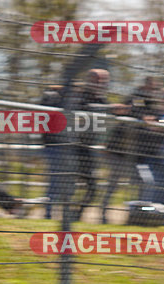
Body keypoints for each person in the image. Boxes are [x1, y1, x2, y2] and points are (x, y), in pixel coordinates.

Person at [72, 69, 110, 221]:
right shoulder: (79, 96)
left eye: (103, 81)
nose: (101, 84)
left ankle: (76, 215)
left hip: (87, 150)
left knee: (92, 187)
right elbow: (83, 109)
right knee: (66, 185)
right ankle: (53, 216)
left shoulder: (102, 100)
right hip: (71, 147)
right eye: (97, 80)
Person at [100, 103, 135, 224]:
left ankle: (133, 214)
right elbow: (105, 141)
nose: (124, 110)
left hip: (129, 158)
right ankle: (103, 212)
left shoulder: (131, 120)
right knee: (112, 185)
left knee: (132, 186)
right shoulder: (113, 120)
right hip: (115, 157)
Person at [40, 84, 65, 219]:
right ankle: (49, 212)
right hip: (54, 145)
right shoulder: (52, 98)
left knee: (59, 180)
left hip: (65, 146)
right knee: (55, 180)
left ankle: (52, 212)